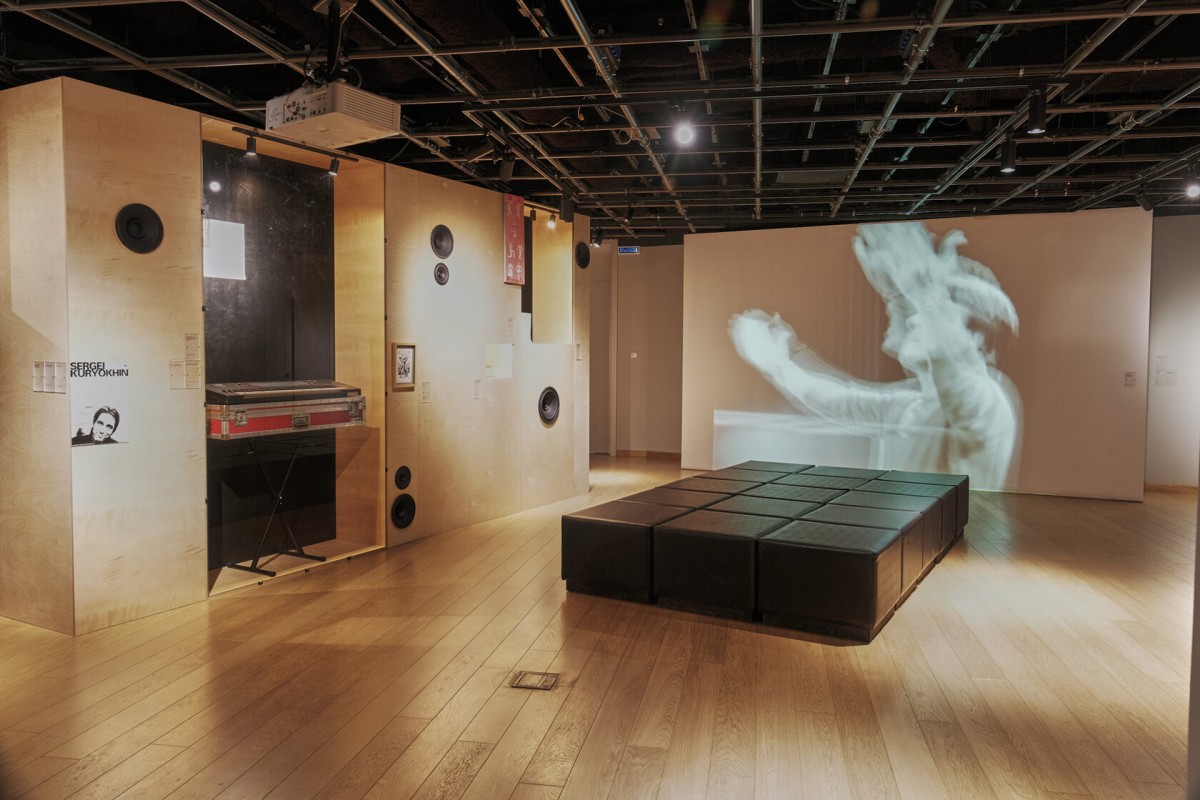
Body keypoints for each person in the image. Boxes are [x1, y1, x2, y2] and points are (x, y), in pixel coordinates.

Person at [728, 221, 1021, 489]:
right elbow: (840, 401)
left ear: (977, 341)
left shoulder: (990, 405)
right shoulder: (911, 408)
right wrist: (778, 364)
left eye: (941, 310)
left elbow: (956, 369)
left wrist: (920, 287)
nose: (917, 318)